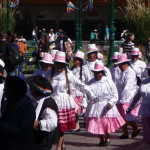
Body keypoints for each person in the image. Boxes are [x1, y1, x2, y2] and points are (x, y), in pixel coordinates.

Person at [50, 51, 96, 150]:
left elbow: (80, 85)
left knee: (61, 125)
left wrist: (91, 94)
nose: (59, 68)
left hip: (64, 102)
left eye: (61, 65)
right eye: (57, 65)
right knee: (53, 124)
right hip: (52, 101)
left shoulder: (68, 74)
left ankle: (58, 146)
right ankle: (61, 143)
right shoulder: (50, 74)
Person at [85, 61, 125, 146]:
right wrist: (85, 103)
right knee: (97, 123)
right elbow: (86, 94)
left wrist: (111, 102)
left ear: (102, 73)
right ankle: (101, 139)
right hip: (95, 106)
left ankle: (108, 137)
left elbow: (114, 94)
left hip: (106, 106)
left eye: (99, 73)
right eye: (95, 73)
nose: (97, 75)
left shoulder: (108, 82)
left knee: (105, 123)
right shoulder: (90, 82)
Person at [0, 76, 36, 150]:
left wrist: (3, 126)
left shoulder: (27, 107)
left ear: (13, 90)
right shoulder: (9, 103)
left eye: (6, 87)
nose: (4, 90)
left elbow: (24, 132)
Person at [27, 75, 59, 150]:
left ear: (36, 90)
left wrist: (39, 123)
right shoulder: (36, 100)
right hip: (36, 139)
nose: (29, 90)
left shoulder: (47, 103)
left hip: (43, 140)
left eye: (31, 88)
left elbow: (53, 122)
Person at [115, 53, 140, 139]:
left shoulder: (130, 72)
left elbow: (128, 87)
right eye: (119, 65)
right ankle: (125, 133)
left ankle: (136, 128)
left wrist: (123, 99)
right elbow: (118, 85)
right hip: (120, 97)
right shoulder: (122, 72)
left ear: (126, 63)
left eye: (121, 64)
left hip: (128, 98)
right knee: (121, 117)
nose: (119, 66)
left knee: (128, 116)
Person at [127, 62, 150, 144]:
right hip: (145, 109)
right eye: (148, 70)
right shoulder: (144, 82)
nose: (149, 72)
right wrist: (130, 107)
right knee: (147, 133)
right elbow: (137, 96)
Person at [71, 51, 91, 131]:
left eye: (77, 60)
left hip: (82, 93)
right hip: (73, 93)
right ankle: (77, 126)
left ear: (80, 61)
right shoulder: (71, 70)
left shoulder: (85, 70)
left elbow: (88, 81)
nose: (75, 62)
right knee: (74, 110)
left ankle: (88, 123)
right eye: (74, 60)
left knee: (83, 110)